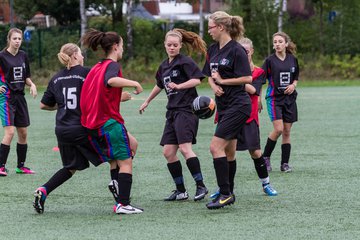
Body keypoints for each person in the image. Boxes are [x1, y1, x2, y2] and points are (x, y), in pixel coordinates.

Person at [33, 43, 104, 213]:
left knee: (70, 168)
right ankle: (121, 201)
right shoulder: (86, 73)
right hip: (81, 129)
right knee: (117, 157)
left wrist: (62, 106)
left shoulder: (56, 78)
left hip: (62, 129)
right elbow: (101, 93)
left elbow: (43, 105)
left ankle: (43, 190)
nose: (82, 57)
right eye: (80, 54)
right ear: (73, 56)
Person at [139, 28, 208, 202]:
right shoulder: (163, 66)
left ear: (180, 46)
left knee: (185, 149)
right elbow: (159, 85)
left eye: (175, 45)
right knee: (168, 152)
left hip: (186, 111)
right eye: (169, 45)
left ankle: (201, 186)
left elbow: (197, 79)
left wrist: (180, 86)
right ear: (165, 45)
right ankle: (181, 190)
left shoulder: (185, 61)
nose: (172, 48)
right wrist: (147, 101)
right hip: (172, 113)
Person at [80, 28, 144, 214]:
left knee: (132, 145)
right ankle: (123, 204)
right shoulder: (111, 66)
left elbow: (99, 91)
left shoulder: (96, 67)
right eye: (122, 45)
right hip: (108, 123)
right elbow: (111, 80)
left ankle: (116, 183)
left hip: (94, 123)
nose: (122, 49)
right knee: (126, 162)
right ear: (115, 47)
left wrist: (118, 98)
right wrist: (135, 83)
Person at [202, 11, 252, 209]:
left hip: (239, 105)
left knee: (215, 147)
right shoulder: (213, 49)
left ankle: (224, 194)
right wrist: (214, 86)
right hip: (223, 107)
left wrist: (223, 81)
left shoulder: (237, 50)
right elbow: (208, 75)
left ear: (221, 27)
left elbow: (247, 78)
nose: (209, 31)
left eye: (211, 27)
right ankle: (228, 191)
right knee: (229, 152)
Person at [0, 28, 37, 176]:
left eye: (19, 39)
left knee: (23, 133)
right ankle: (1, 166)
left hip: (20, 97)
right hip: (7, 98)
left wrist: (32, 84)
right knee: (10, 132)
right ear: (9, 39)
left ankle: (21, 166)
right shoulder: (1, 56)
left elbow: (26, 76)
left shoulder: (23, 56)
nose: (17, 41)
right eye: (14, 38)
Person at [261, 32, 299, 173]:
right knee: (278, 129)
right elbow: (260, 80)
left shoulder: (292, 59)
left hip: (289, 99)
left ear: (286, 44)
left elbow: (296, 77)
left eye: (280, 41)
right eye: (275, 42)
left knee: (287, 132)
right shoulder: (269, 61)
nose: (277, 44)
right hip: (274, 99)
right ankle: (265, 157)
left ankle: (284, 164)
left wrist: (293, 85)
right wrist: (258, 99)